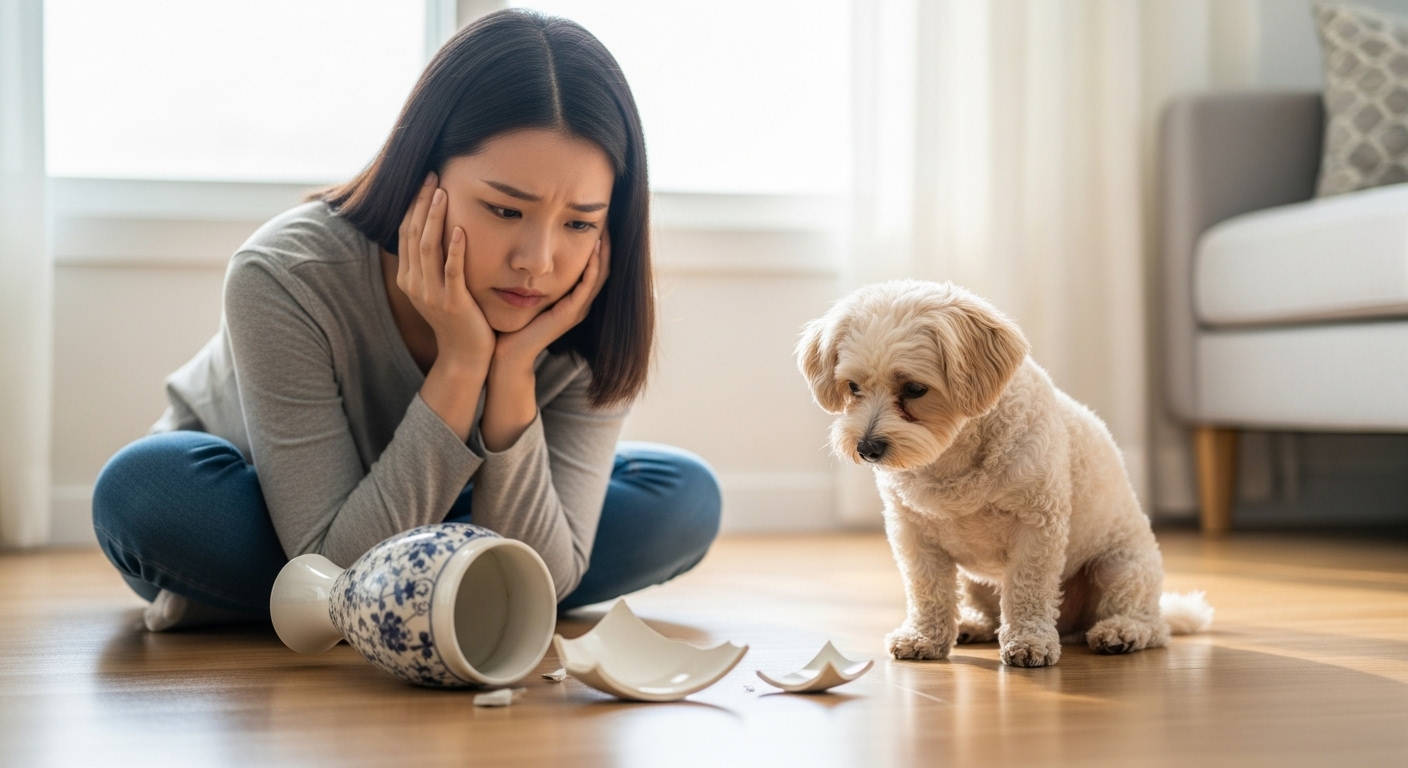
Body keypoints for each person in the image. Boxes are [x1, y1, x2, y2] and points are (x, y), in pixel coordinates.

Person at [90, 9, 722, 631]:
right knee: (147, 493)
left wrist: (511, 374)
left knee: (684, 497)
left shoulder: (590, 306)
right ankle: (451, 600)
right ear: (425, 178)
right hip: (264, 502)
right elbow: (334, 565)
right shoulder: (287, 272)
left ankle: (260, 606)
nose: (538, 261)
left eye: (580, 222)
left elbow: (549, 573)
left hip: (441, 514)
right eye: (505, 210)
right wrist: (462, 362)